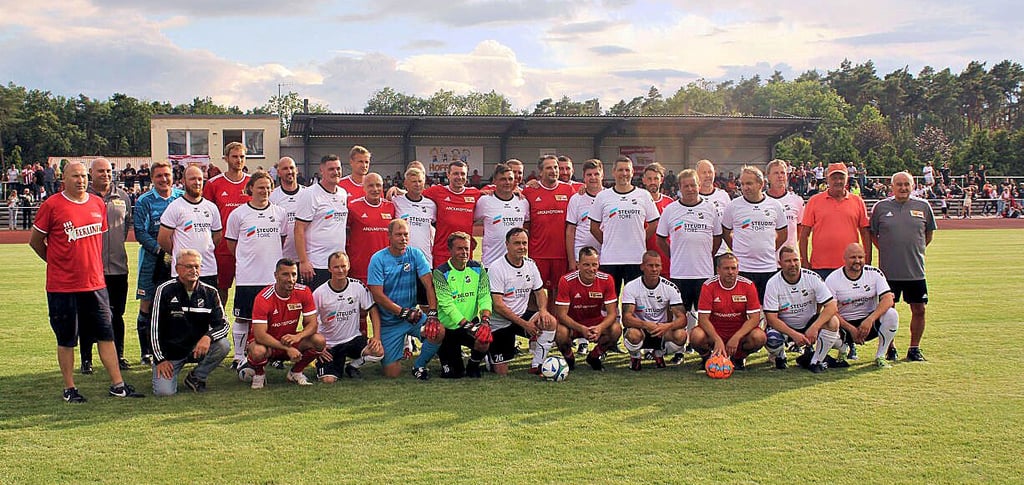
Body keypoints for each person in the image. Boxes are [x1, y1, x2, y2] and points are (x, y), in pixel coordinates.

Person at [29, 162, 144, 402]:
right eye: (75, 176)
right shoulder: (52, 205)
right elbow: (36, 241)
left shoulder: (97, 204)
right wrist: (56, 262)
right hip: (63, 286)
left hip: (95, 283)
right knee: (67, 338)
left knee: (106, 334)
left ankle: (117, 384)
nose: (80, 180)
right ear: (64, 179)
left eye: (83, 176)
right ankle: (69, 388)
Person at [656, 168, 722, 362]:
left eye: (693, 185)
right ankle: (678, 351)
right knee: (679, 316)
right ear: (679, 188)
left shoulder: (710, 209)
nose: (691, 189)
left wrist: (707, 255)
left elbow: (717, 238)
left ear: (699, 186)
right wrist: (674, 255)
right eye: (686, 186)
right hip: (679, 273)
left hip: (704, 273)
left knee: (705, 317)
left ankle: (705, 352)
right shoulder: (671, 210)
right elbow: (660, 240)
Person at [870, 171, 936, 361]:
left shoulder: (923, 206)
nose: (903, 188)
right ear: (892, 187)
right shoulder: (881, 208)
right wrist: (888, 249)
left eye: (906, 184)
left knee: (919, 309)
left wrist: (916, 249)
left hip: (915, 270)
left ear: (912, 186)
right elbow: (873, 234)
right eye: (899, 184)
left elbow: (928, 234)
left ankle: (914, 348)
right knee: (886, 311)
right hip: (888, 272)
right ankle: (889, 347)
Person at [367, 219, 444, 379]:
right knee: (392, 374)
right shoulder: (378, 259)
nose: (403, 238)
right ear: (389, 236)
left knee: (438, 331)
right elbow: (377, 295)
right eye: (398, 235)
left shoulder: (415, 254)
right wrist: (402, 312)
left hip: (412, 319)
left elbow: (429, 285)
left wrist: (432, 315)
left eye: (406, 235)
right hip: (389, 322)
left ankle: (419, 365)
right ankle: (390, 351)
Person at [224, 171, 287, 368]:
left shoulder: (280, 213)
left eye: (268, 187)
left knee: (273, 318)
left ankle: (274, 354)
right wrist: (247, 259)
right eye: (260, 187)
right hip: (248, 277)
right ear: (251, 188)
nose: (265, 191)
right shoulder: (238, 214)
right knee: (243, 316)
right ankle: (239, 356)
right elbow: (231, 244)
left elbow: (282, 239)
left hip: (271, 278)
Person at [150, 249, 231, 395]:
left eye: (197, 266)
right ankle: (163, 369)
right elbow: (152, 329)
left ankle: (196, 377)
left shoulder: (210, 292)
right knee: (164, 393)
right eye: (188, 266)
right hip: (171, 354)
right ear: (177, 268)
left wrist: (208, 337)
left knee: (223, 345)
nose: (193, 270)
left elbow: (224, 325)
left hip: (197, 350)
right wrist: (160, 359)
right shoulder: (164, 290)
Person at [79, 158, 132, 374]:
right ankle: (86, 359)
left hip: (118, 267)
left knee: (117, 314)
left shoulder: (123, 197)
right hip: (91, 269)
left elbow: (126, 225)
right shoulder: (84, 198)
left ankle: (118, 355)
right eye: (100, 171)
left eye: (108, 171)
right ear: (91, 173)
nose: (105, 174)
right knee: (88, 315)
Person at [239, 259, 324, 388]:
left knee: (319, 340)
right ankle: (259, 374)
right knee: (257, 351)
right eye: (285, 274)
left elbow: (312, 324)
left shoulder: (304, 291)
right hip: (267, 344)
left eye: (294, 274)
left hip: (289, 339)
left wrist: (297, 337)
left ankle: (296, 372)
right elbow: (260, 335)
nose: (291, 279)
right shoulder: (263, 298)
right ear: (276, 275)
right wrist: (287, 349)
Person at [488, 227, 558, 375]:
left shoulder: (530, 264)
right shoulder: (496, 268)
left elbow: (540, 292)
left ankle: (537, 364)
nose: (522, 247)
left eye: (524, 243)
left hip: (521, 316)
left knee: (550, 321)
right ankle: (489, 353)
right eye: (517, 243)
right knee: (501, 373)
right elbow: (498, 306)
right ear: (507, 244)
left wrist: (543, 311)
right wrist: (525, 324)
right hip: (500, 322)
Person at [133, 160, 182, 365]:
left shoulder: (181, 197)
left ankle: (174, 347)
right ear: (152, 178)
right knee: (148, 304)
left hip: (178, 260)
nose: (164, 179)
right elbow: (140, 232)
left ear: (173, 176)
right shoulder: (145, 201)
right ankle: (146, 351)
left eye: (167, 175)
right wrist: (161, 250)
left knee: (175, 305)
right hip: (152, 261)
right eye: (159, 175)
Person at [763, 246, 842, 373]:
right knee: (770, 337)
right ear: (780, 263)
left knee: (833, 322)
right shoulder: (773, 283)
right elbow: (771, 319)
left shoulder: (812, 278)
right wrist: (794, 335)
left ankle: (816, 361)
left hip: (809, 324)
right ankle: (780, 357)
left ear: (800, 260)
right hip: (785, 327)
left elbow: (832, 306)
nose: (793, 264)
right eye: (788, 261)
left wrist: (815, 327)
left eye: (795, 260)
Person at [589, 156, 660, 289]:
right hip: (610, 259)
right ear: (613, 172)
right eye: (620, 170)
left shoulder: (643, 195)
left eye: (627, 170)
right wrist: (608, 241)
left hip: (636, 259)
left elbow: (654, 223)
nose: (624, 174)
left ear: (632, 172)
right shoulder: (602, 196)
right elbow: (593, 227)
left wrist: (639, 238)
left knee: (634, 303)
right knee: (609, 303)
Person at [825, 243, 900, 368]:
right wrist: (851, 329)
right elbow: (830, 309)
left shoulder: (874, 273)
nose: (857, 261)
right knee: (826, 323)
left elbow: (888, 299)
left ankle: (880, 356)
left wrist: (870, 320)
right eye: (853, 257)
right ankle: (843, 349)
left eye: (860, 257)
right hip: (843, 326)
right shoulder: (833, 279)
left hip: (868, 324)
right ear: (844, 258)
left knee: (892, 314)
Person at [312, 251, 384, 382]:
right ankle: (327, 366)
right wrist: (318, 348)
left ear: (349, 266)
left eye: (343, 266)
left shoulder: (357, 287)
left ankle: (352, 366)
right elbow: (310, 322)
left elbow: (373, 310)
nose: (340, 270)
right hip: (330, 345)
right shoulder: (319, 293)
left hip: (353, 339)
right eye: (336, 267)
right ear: (329, 268)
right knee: (328, 380)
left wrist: (377, 337)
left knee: (378, 352)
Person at [721, 165, 787, 301]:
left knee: (768, 308)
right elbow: (725, 231)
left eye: (749, 183)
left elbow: (783, 233)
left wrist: (768, 249)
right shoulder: (733, 206)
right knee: (742, 308)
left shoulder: (775, 206)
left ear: (761, 184)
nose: (745, 187)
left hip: (768, 267)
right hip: (742, 268)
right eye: (743, 184)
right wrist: (738, 249)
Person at [690, 253, 767, 369]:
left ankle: (739, 358)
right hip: (714, 331)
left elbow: (754, 318)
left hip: (738, 331)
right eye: (726, 268)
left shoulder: (748, 285)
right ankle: (707, 357)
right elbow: (703, 319)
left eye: (733, 268)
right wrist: (717, 339)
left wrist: (736, 337)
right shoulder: (708, 286)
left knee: (759, 336)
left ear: (738, 269)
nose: (730, 272)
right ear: (718, 270)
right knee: (696, 335)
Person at [433, 232, 493, 378]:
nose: (464, 252)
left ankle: (473, 365)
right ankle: (443, 353)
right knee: (454, 374)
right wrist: (466, 325)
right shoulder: (440, 273)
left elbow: (484, 295)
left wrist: (485, 320)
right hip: (449, 328)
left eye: (466, 249)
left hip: (470, 323)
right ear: (450, 250)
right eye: (459, 249)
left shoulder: (478, 268)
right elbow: (447, 305)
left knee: (484, 340)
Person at [799, 162, 871, 280]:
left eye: (841, 177)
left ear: (847, 179)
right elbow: (804, 234)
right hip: (820, 266)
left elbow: (865, 234)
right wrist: (804, 261)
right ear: (827, 179)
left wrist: (867, 261)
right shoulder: (814, 201)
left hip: (850, 265)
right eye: (834, 177)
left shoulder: (857, 201)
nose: (838, 181)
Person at [522, 155, 577, 309]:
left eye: (555, 167)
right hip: (538, 253)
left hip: (561, 254)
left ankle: (553, 329)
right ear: (540, 172)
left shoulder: (568, 189)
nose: (554, 171)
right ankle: (536, 325)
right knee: (533, 293)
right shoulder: (529, 191)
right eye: (549, 168)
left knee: (557, 294)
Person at [553, 246, 621, 371]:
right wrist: (581, 329)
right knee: (560, 332)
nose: (591, 269)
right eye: (586, 265)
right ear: (578, 265)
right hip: (573, 324)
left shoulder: (607, 279)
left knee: (616, 329)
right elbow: (561, 315)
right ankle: (569, 357)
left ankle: (594, 357)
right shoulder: (566, 281)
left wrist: (599, 328)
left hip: (595, 322)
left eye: (594, 264)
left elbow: (612, 313)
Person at [157, 165, 222, 289]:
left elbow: (217, 236)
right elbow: (163, 239)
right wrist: (179, 252)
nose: (197, 183)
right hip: (182, 272)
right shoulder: (175, 207)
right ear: (183, 181)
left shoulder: (211, 207)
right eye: (192, 179)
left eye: (199, 179)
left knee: (207, 307)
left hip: (208, 269)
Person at [621, 251, 688, 371]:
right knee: (632, 334)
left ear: (661, 267)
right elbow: (626, 319)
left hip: (661, 330)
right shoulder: (631, 287)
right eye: (650, 265)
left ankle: (659, 353)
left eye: (657, 266)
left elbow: (682, 319)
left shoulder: (670, 288)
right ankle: (635, 356)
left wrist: (667, 326)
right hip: (640, 329)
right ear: (642, 267)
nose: (654, 269)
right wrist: (645, 324)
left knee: (681, 335)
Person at [203, 142, 252, 306]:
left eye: (242, 157)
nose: (239, 160)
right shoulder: (213, 184)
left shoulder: (253, 183)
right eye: (235, 156)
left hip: (248, 249)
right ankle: (219, 326)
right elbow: (206, 216)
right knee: (220, 291)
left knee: (247, 291)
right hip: (223, 248)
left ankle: (248, 330)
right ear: (226, 158)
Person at [294, 154, 349, 290]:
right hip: (316, 264)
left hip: (338, 264)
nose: (335, 172)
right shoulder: (310, 194)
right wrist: (304, 261)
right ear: (321, 171)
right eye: (331, 169)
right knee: (316, 308)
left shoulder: (343, 193)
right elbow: (299, 229)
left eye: (338, 168)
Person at [422, 160, 480, 266]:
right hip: (442, 254)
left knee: (463, 282)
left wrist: (516, 190)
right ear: (448, 175)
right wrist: (397, 190)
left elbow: (494, 191)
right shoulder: (436, 191)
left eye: (463, 174)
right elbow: (416, 194)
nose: (459, 177)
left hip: (465, 254)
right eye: (455, 173)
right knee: (442, 283)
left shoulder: (474, 193)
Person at [474, 163, 529, 266]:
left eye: (510, 179)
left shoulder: (523, 202)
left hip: (517, 264)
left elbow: (527, 225)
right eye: (503, 179)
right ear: (494, 181)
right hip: (491, 263)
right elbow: (470, 220)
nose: (507, 182)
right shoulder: (484, 201)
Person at [346, 173, 395, 282]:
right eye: (370, 186)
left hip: (386, 268)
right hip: (361, 268)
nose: (375, 189)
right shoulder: (352, 207)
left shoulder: (391, 207)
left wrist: (398, 190)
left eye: (378, 185)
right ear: (363, 187)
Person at [765, 159, 804, 254]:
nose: (780, 176)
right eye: (776, 173)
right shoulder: (759, 200)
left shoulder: (797, 200)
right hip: (766, 260)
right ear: (768, 177)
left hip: (789, 260)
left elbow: (800, 230)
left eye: (783, 173)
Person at [269, 156, 304, 261]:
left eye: (292, 168)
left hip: (305, 258)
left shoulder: (308, 194)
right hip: (282, 258)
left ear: (297, 170)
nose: (289, 171)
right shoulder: (272, 196)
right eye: (285, 169)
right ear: (278, 173)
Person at [695, 159, 733, 255]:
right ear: (696, 175)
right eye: (704, 173)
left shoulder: (723, 196)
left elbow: (730, 224)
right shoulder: (692, 197)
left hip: (721, 252)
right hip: (699, 252)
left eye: (710, 172)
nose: (708, 175)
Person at [642, 163, 673, 277]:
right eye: (649, 179)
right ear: (644, 180)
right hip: (644, 258)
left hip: (666, 259)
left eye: (656, 178)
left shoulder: (670, 203)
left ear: (661, 180)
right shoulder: (638, 202)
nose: (652, 182)